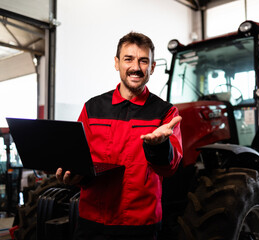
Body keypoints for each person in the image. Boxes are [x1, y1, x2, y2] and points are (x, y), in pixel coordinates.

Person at [56, 32, 183, 240]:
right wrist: (74, 175)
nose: (136, 67)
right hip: (92, 221)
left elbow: (170, 168)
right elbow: (81, 158)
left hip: (140, 224)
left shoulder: (165, 113)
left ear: (152, 67)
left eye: (144, 61)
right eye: (128, 59)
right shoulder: (92, 107)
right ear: (117, 63)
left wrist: (159, 146)